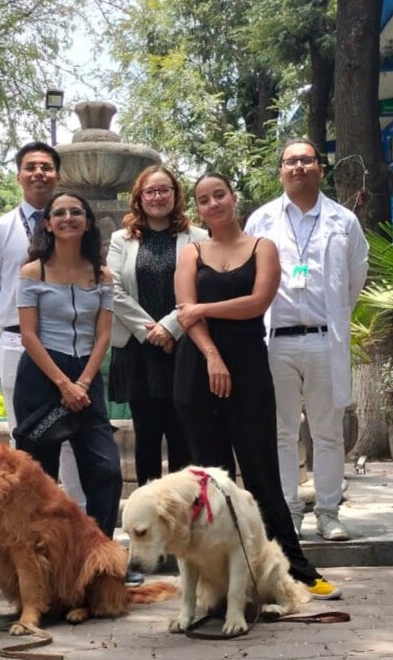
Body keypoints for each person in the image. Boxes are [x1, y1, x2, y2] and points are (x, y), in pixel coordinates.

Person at [172, 172, 341, 600]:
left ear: (233, 198)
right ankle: (217, 582)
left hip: (248, 366)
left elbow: (257, 303)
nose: (213, 204)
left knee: (262, 473)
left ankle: (296, 568)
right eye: (204, 199)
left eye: (219, 195)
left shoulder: (262, 247)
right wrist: (212, 355)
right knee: (211, 480)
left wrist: (203, 308)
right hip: (198, 368)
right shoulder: (191, 253)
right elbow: (187, 317)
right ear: (198, 210)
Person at [244, 138, 369, 542]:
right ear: (281, 170)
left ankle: (329, 513)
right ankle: (288, 514)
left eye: (306, 160)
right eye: (291, 161)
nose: (298, 166)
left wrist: (333, 316)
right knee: (280, 433)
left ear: (320, 168)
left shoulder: (343, 221)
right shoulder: (261, 221)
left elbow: (355, 277)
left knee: (327, 432)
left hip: (323, 339)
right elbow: (249, 275)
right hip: (275, 341)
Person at [13, 192, 123, 549]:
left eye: (76, 212)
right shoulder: (34, 271)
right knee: (38, 477)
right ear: (48, 224)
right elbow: (28, 335)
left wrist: (84, 383)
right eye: (59, 213)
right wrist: (63, 384)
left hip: (86, 376)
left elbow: (103, 335)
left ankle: (98, 554)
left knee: (106, 470)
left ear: (88, 222)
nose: (68, 217)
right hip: (42, 376)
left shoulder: (102, 275)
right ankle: (40, 558)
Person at [0, 142, 85, 508]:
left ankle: (76, 517)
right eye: (31, 167)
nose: (39, 173)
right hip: (16, 342)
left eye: (46, 167)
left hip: (66, 341)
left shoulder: (71, 226)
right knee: (22, 432)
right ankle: (29, 517)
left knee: (72, 434)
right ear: (19, 175)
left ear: (57, 175)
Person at [107, 165, 207, 485]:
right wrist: (151, 331)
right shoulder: (121, 239)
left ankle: (182, 506)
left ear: (175, 195)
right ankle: (149, 508)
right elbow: (113, 290)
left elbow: (200, 288)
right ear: (139, 197)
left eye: (164, 190)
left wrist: (170, 327)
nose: (157, 197)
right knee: (146, 435)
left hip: (183, 344)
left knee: (183, 434)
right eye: (150, 191)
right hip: (139, 350)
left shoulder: (198, 238)